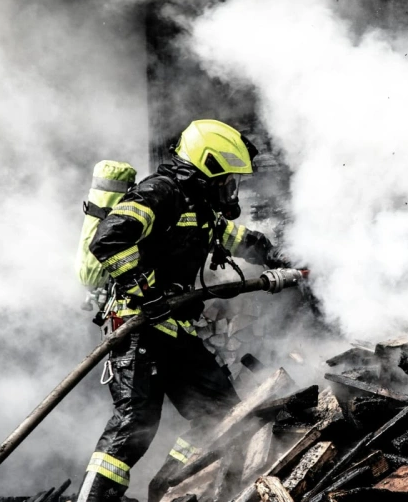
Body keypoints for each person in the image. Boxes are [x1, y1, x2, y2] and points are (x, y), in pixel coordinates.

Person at [77, 119, 287, 502]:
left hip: (173, 329)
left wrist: (274, 253)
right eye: (227, 180)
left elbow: (232, 237)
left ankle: (170, 487)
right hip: (138, 326)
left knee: (221, 411)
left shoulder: (200, 207)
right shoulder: (160, 193)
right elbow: (109, 240)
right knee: (134, 424)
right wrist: (145, 291)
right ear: (206, 168)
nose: (231, 189)